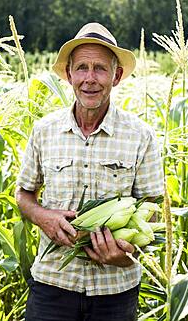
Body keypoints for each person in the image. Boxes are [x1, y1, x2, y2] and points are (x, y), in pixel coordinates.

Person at [15, 22, 164, 321]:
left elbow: (156, 212)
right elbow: (24, 193)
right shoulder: (44, 131)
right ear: (69, 74)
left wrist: (127, 255)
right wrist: (43, 216)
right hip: (52, 286)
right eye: (81, 67)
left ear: (116, 76)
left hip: (115, 292)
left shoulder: (141, 136)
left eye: (100, 68)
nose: (90, 79)